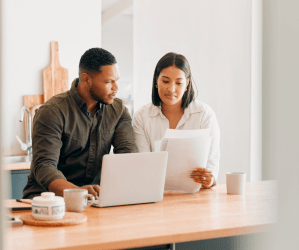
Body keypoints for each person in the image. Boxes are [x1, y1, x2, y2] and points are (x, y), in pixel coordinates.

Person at [23, 48, 138, 199]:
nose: (116, 88)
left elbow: (128, 157)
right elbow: (45, 167)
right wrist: (78, 193)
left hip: (93, 200)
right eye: (109, 82)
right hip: (49, 201)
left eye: (117, 80)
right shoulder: (52, 111)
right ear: (86, 79)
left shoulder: (118, 110)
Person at [133, 52, 220, 188]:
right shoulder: (142, 117)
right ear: (156, 81)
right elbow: (143, 165)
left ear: (187, 84)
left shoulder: (205, 115)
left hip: (195, 197)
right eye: (165, 81)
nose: (171, 89)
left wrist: (210, 179)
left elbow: (212, 166)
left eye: (179, 83)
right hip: (154, 194)